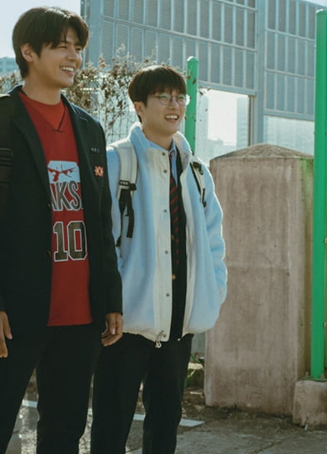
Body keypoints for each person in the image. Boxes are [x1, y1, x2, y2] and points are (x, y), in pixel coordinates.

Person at [0, 6, 122, 454]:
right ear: (28, 52)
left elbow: (99, 221)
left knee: (65, 434)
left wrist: (110, 299)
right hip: (12, 310)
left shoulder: (89, 128)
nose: (74, 57)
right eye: (62, 46)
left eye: (78, 48)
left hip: (80, 314)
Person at [89, 65, 227, 454]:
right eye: (163, 97)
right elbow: (102, 240)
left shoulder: (196, 170)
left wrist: (213, 292)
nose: (174, 106)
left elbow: (213, 239)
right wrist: (110, 302)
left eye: (180, 97)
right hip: (125, 322)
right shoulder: (117, 161)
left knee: (166, 421)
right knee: (111, 421)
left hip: (179, 319)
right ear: (139, 106)